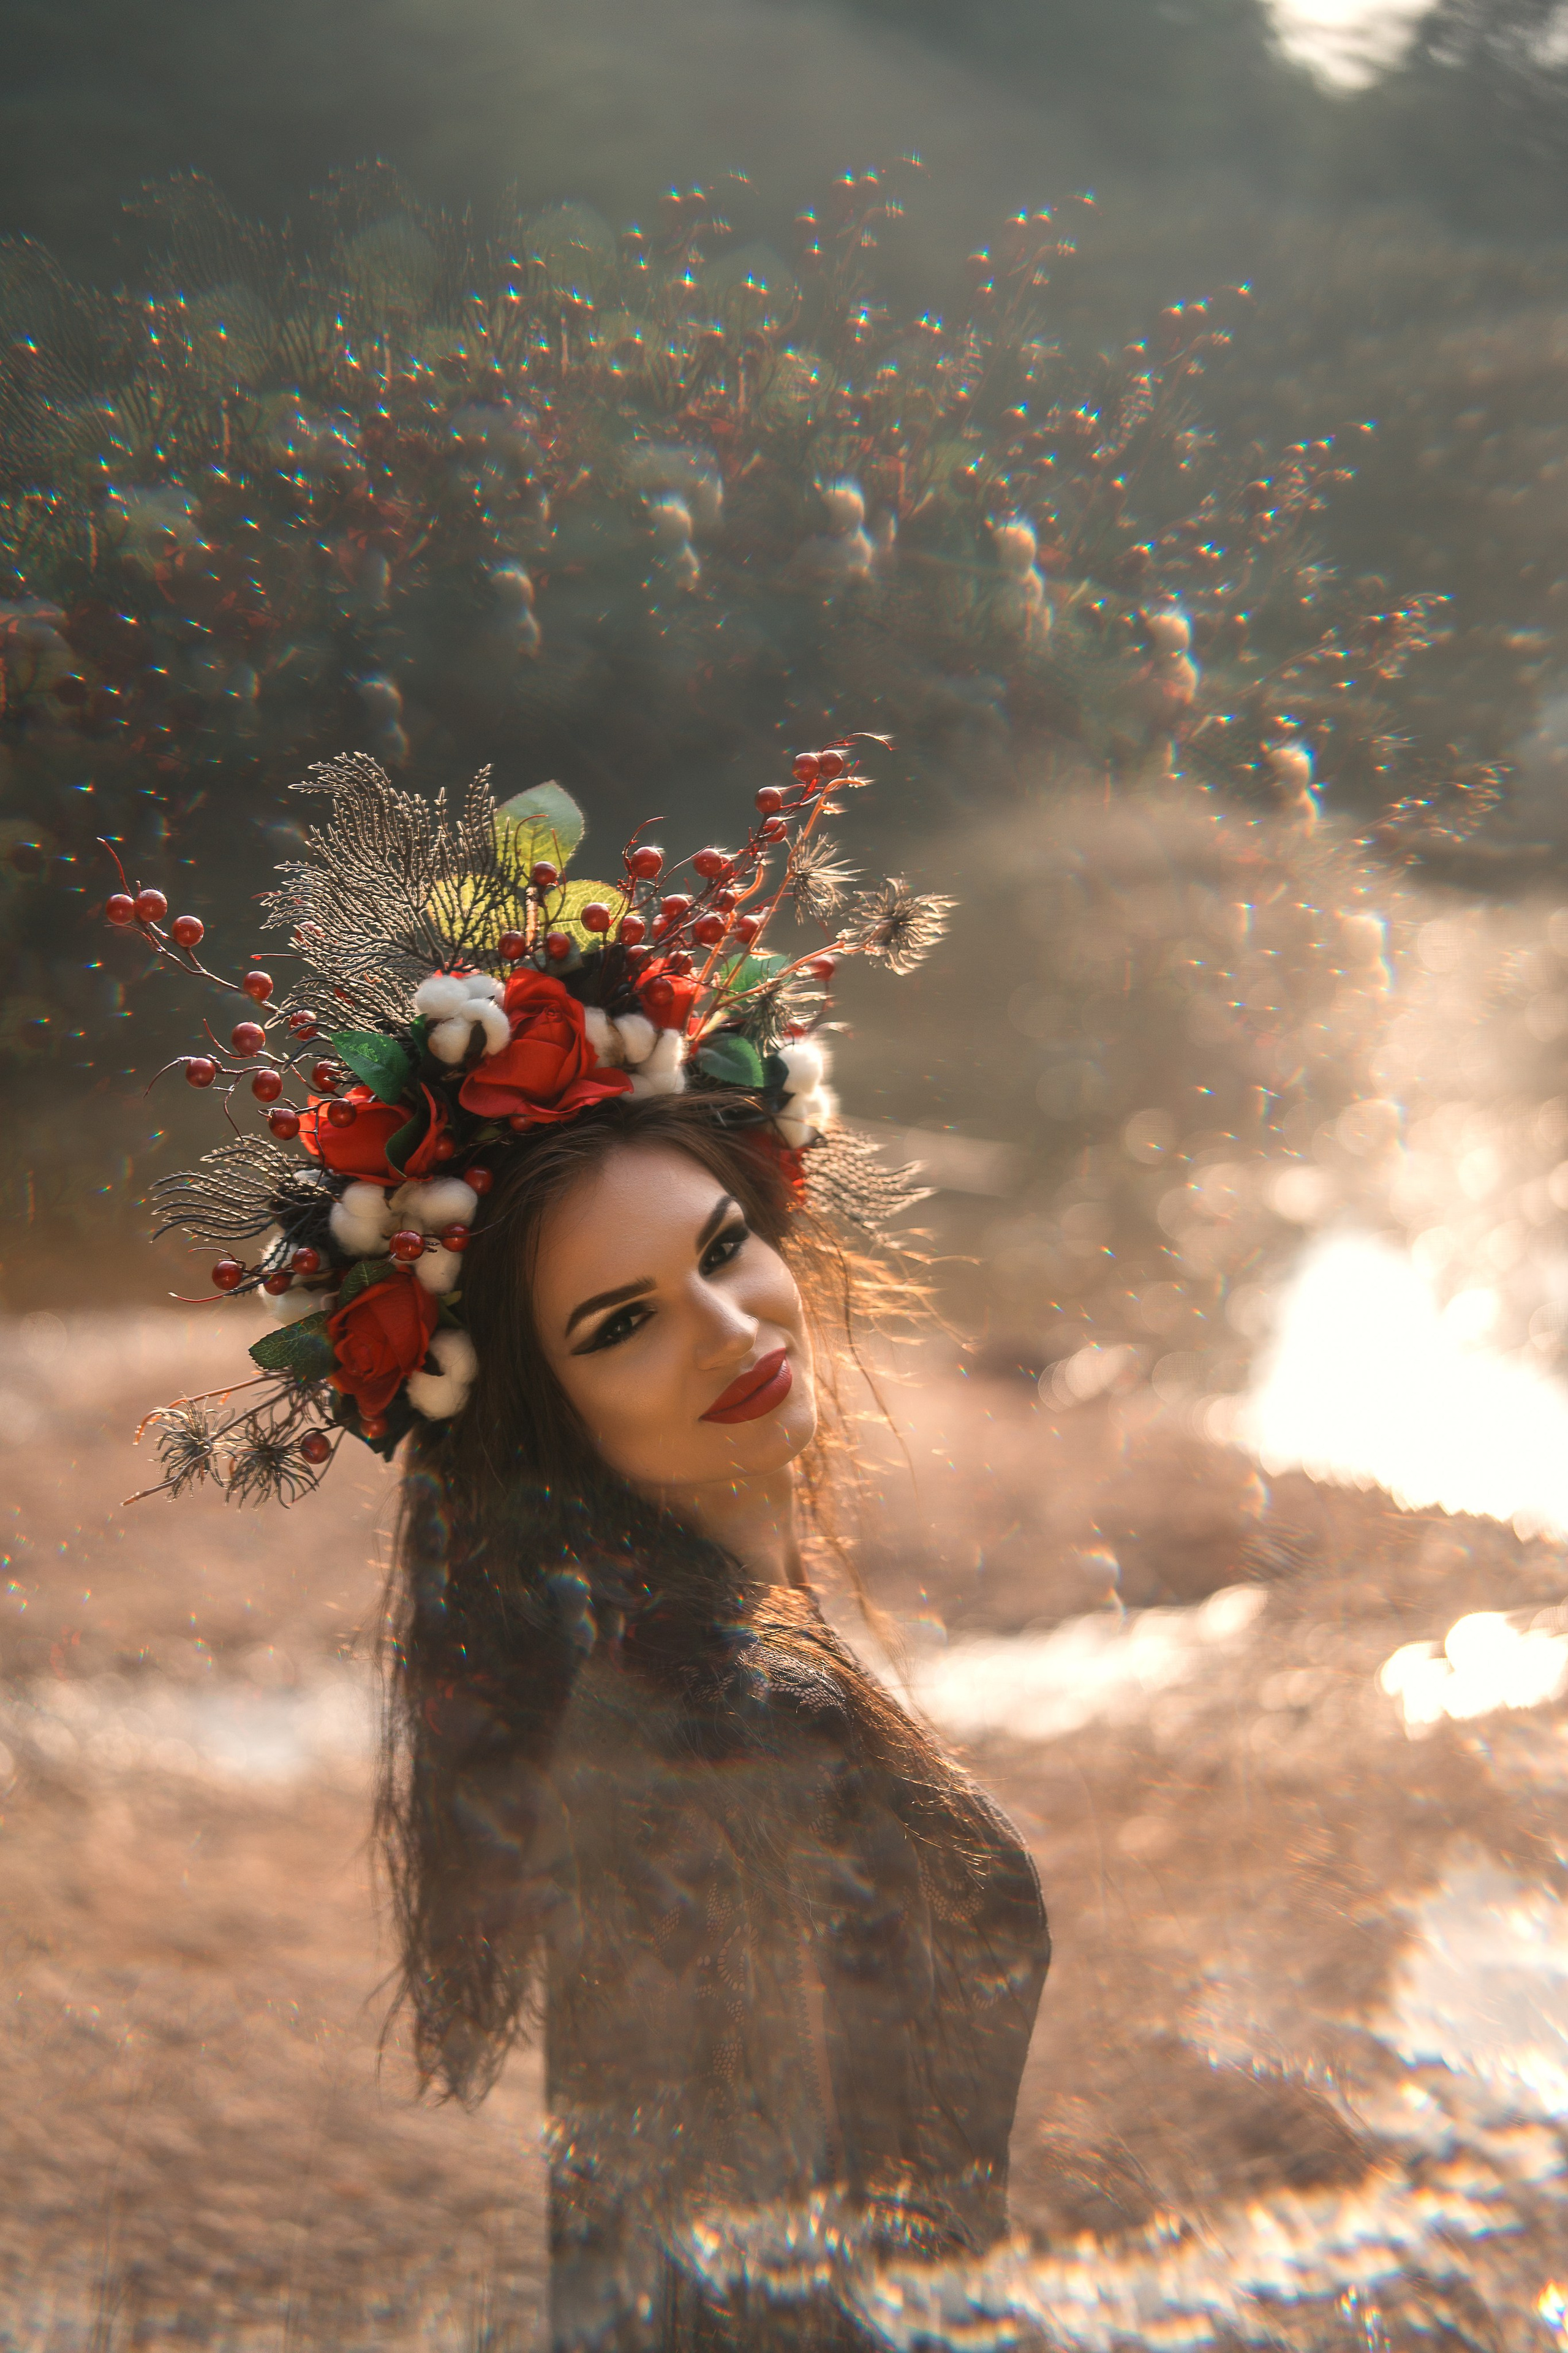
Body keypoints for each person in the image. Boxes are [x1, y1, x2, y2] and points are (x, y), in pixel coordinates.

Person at [119, 742, 1049, 2347]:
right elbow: (730, 2284)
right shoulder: (730, 1724)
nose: (723, 1323)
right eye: (621, 1322)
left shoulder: (679, 1677)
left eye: (721, 1249)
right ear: (548, 1415)